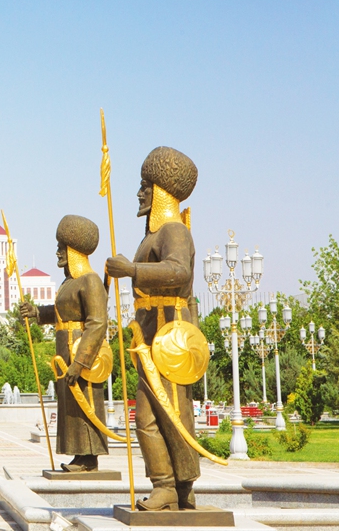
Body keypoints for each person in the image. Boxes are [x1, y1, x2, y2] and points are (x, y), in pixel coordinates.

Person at [105, 146, 201, 511]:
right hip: (150, 335)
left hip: (169, 335)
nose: (140, 192)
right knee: (148, 415)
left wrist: (132, 271)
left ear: (161, 190)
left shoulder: (174, 230)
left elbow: (179, 272)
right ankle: (168, 484)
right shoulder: (151, 237)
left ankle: (176, 485)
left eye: (145, 185)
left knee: (167, 411)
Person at [18, 215, 109, 473]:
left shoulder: (90, 281)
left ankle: (90, 458)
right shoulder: (69, 282)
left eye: (62, 247)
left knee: (85, 402)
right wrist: (37, 312)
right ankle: (80, 456)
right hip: (64, 351)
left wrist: (80, 362)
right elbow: (62, 312)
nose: (58, 252)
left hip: (82, 355)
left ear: (74, 250)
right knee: (71, 407)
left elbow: (97, 323)